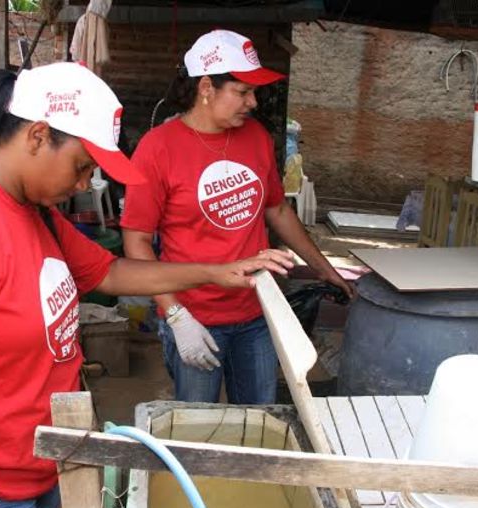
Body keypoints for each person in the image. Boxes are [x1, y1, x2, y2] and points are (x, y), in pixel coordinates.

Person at [0, 62, 292, 508]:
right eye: (81, 165)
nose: (86, 182)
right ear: (37, 136)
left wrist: (220, 271)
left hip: (40, 460)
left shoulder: (34, 211)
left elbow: (111, 269)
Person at [121, 30, 352, 405]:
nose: (253, 102)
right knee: (198, 432)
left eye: (253, 92)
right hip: (195, 314)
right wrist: (176, 316)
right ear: (207, 87)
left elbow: (276, 209)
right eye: (243, 92)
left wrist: (323, 267)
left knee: (258, 421)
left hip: (256, 311)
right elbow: (137, 241)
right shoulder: (158, 148)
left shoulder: (256, 137)